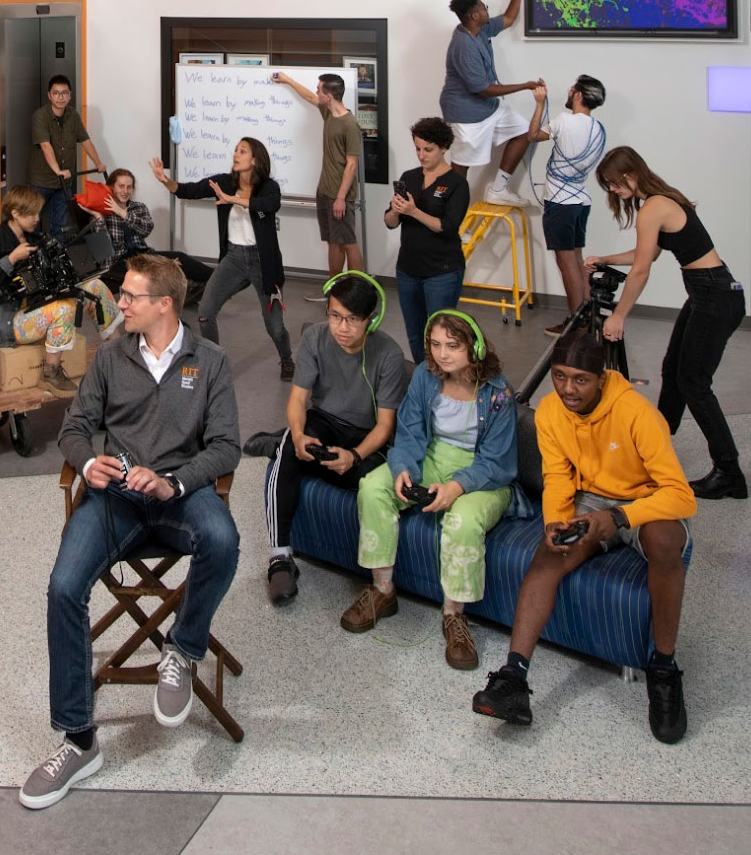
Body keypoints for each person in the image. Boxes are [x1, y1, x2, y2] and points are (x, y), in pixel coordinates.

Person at [19, 254, 241, 810]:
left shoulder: (210, 361)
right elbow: (76, 427)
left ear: (163, 305)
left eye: (130, 296)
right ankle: (78, 741)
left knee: (225, 541)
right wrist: (87, 461)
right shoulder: (110, 356)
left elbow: (225, 447)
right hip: (114, 499)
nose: (119, 303)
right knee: (64, 589)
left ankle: (182, 648)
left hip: (178, 498)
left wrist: (174, 482)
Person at [472, 330, 695, 744]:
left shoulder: (637, 413)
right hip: (592, 499)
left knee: (666, 545)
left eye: (579, 379)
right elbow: (557, 474)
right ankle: (513, 678)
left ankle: (664, 669)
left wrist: (621, 516)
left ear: (601, 377)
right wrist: (555, 521)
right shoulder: (551, 412)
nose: (567, 389)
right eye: (559, 376)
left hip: (647, 500)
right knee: (548, 553)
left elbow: (681, 495)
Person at [347, 310, 517, 669]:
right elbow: (409, 432)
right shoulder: (426, 376)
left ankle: (454, 615)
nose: (442, 354)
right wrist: (403, 468)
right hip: (431, 457)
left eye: (452, 346)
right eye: (436, 344)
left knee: (463, 521)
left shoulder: (498, 392)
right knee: (372, 487)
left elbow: (498, 460)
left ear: (475, 347)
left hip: (483, 473)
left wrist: (457, 487)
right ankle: (382, 591)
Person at [590, 146, 745, 500]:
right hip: (713, 292)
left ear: (630, 174)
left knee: (693, 382)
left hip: (714, 296)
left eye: (614, 183)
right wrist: (604, 258)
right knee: (674, 370)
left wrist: (619, 315)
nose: (613, 191)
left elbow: (642, 269)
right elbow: (643, 255)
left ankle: (729, 473)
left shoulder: (653, 207)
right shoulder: (659, 201)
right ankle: (655, 446)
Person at [263, 272, 408, 605]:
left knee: (372, 481)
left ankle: (277, 443)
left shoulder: (389, 355)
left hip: (365, 436)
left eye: (353, 319)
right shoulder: (315, 338)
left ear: (372, 319)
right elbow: (298, 399)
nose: (342, 328)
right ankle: (280, 557)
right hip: (324, 421)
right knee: (288, 448)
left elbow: (385, 425)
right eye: (335, 317)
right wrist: (298, 435)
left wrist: (354, 456)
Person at [152, 138, 293, 377]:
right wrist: (166, 181)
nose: (236, 154)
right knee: (205, 313)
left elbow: (269, 205)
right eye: (235, 150)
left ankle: (287, 359)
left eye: (242, 151)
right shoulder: (223, 182)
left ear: (255, 159)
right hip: (233, 259)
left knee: (275, 327)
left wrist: (233, 200)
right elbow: (188, 190)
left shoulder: (269, 187)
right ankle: (215, 363)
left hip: (263, 262)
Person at [0, 187, 121, 395]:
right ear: (15, 213)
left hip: (34, 307)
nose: (37, 218)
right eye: (31, 213)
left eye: (38, 212)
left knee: (94, 285)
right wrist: (11, 259)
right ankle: (50, 374)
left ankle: (118, 350)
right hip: (6, 321)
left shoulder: (35, 238)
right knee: (64, 308)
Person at [439, 0, 541, 201]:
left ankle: (498, 189)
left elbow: (508, 18)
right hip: (466, 114)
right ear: (474, 15)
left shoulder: (480, 29)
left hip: (489, 107)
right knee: (461, 167)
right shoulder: (463, 45)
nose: (487, 10)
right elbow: (482, 90)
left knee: (525, 132)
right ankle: (452, 220)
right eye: (483, 7)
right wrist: (524, 86)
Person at [383, 117, 471, 366]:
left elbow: (448, 227)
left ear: (443, 148)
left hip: (441, 272)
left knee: (441, 335)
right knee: (415, 334)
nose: (422, 155)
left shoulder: (457, 183)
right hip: (408, 269)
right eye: (418, 149)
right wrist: (397, 211)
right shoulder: (408, 177)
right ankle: (425, 379)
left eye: (428, 150)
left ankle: (443, 381)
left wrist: (413, 212)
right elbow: (390, 222)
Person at [527, 75, 608, 336]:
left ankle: (576, 323)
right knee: (577, 259)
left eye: (573, 88)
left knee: (567, 263)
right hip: (581, 201)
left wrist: (539, 103)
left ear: (579, 95)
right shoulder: (598, 128)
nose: (570, 91)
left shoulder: (564, 120)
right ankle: (588, 318)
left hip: (560, 203)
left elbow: (532, 135)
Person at [271, 71, 364, 276]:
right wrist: (287, 79)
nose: (316, 92)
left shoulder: (350, 125)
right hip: (324, 191)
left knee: (348, 242)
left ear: (328, 96)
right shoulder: (328, 113)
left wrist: (340, 198)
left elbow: (351, 165)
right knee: (333, 241)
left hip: (340, 195)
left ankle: (359, 290)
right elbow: (309, 97)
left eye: (319, 88)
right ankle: (335, 289)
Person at [99, 169, 211, 306]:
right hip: (117, 262)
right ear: (111, 187)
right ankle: (191, 287)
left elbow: (146, 229)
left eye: (129, 187)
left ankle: (216, 279)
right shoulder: (102, 210)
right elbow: (102, 245)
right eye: (121, 186)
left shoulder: (138, 207)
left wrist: (122, 213)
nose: (125, 191)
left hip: (142, 255)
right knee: (160, 268)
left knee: (179, 258)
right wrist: (99, 217)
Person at [28, 76, 105, 238]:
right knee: (32, 223)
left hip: (64, 183)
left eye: (64, 93)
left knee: (62, 226)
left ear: (70, 95)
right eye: (56, 93)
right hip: (41, 181)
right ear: (49, 95)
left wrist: (98, 163)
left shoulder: (73, 115)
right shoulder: (40, 116)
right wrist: (58, 170)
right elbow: (45, 146)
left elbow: (85, 140)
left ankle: (60, 261)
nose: (60, 97)